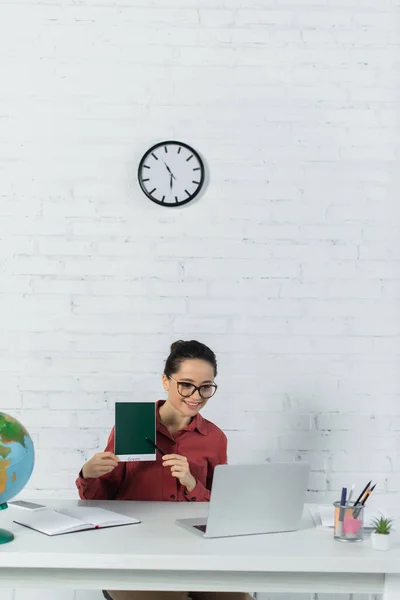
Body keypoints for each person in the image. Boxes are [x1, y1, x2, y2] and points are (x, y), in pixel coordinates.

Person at [76, 340, 251, 600]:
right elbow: (100, 500)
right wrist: (88, 475)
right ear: (166, 381)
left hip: (196, 554)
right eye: (186, 385)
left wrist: (193, 485)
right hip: (133, 552)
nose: (196, 396)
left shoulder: (215, 438)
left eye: (205, 387)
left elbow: (222, 509)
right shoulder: (132, 425)